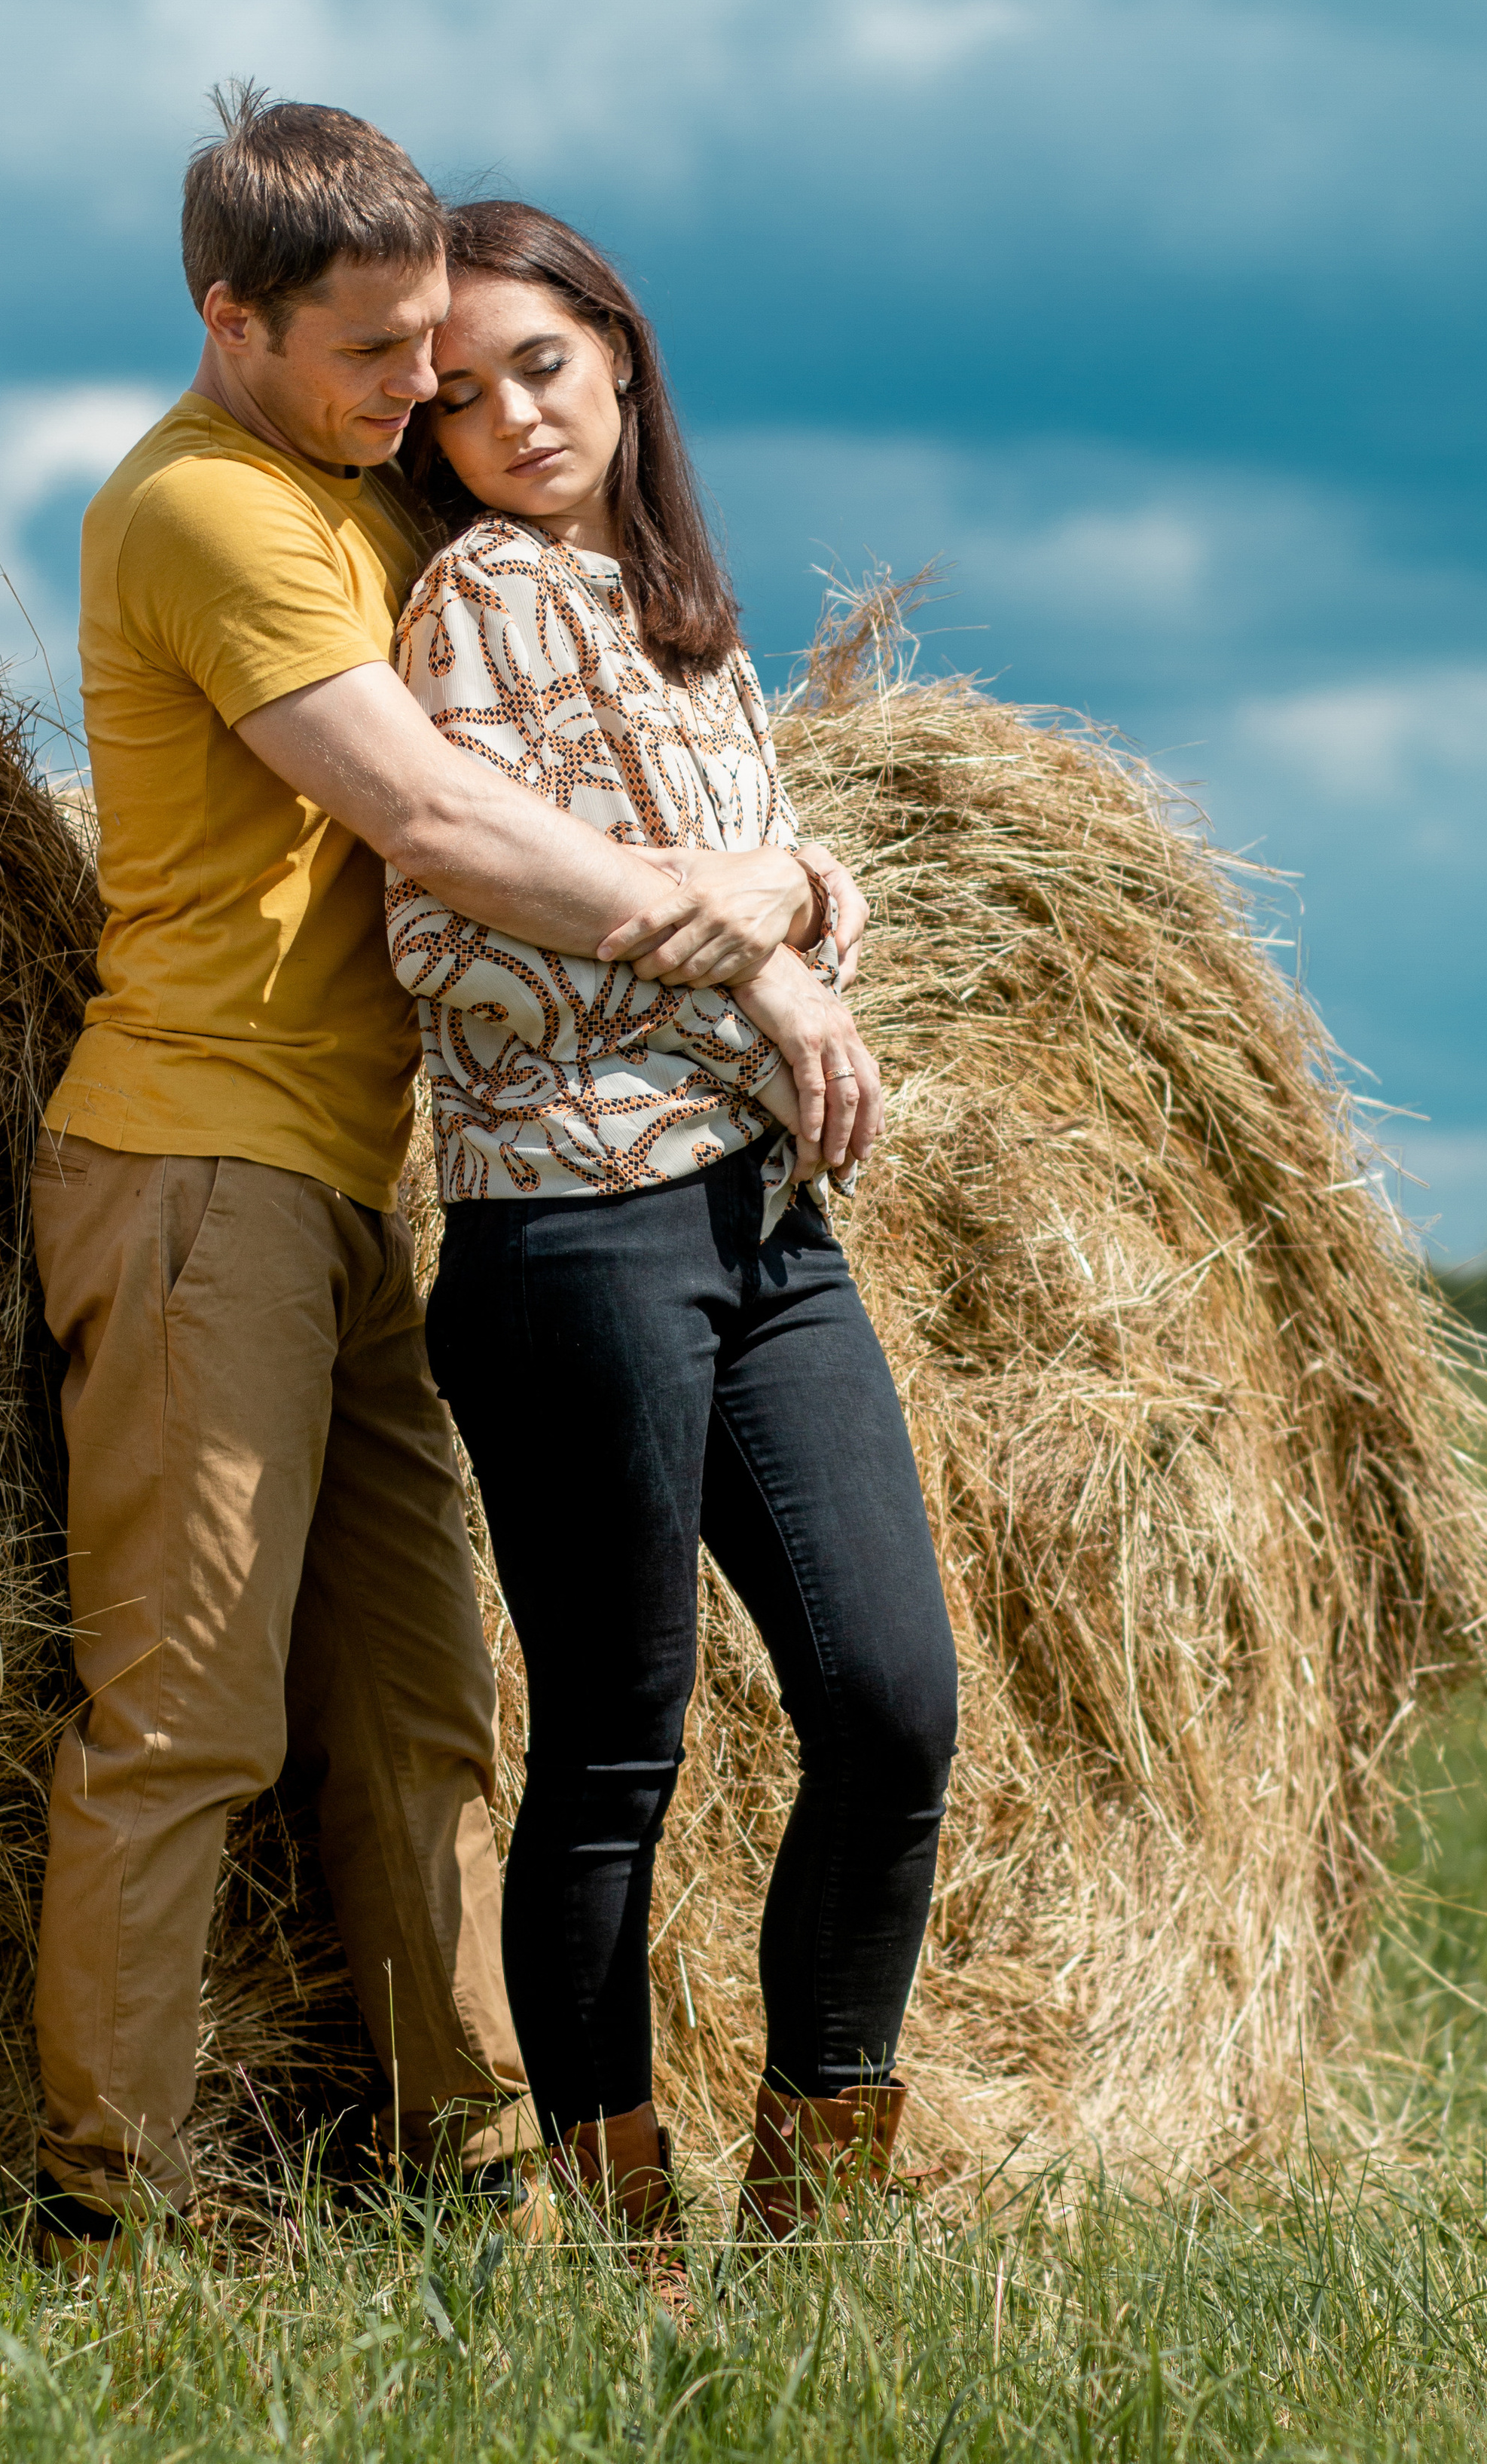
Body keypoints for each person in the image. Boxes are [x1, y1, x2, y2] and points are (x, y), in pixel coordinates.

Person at [31, 90, 866, 2257]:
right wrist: (764, 958)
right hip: (198, 1163)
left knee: (424, 1714)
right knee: (191, 1719)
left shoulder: (361, 499)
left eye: (445, 349)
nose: (424, 394)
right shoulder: (208, 513)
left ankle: (470, 2169)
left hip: (354, 1183)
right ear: (231, 320)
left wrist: (797, 861)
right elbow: (447, 825)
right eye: (379, 354)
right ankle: (103, 2214)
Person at [389, 200, 960, 2247]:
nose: (511, 420)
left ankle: (808, 2209)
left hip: (774, 1229)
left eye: (541, 365)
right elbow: (446, 933)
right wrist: (743, 946)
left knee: (893, 1704)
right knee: (617, 1753)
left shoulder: (676, 604)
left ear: (619, 354)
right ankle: (629, 2256)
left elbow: (794, 866)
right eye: (456, 401)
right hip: (573, 1236)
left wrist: (792, 904)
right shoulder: (465, 608)